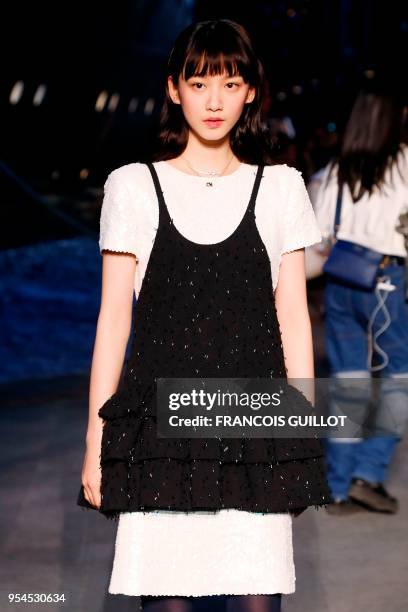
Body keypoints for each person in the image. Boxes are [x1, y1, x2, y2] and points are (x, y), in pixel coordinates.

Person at [77, 19, 331, 611]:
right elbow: (113, 320)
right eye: (198, 82)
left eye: (230, 82)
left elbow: (293, 317)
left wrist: (300, 435)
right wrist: (96, 440)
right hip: (158, 438)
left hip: (254, 433)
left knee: (257, 604)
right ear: (173, 89)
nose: (213, 100)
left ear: (250, 92)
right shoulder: (133, 188)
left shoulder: (281, 189)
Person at [310, 84, 408, 516]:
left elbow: (317, 240)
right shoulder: (404, 164)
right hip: (388, 282)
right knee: (398, 380)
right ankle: (368, 476)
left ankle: (336, 484)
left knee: (348, 383)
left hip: (340, 282)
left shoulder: (334, 172)